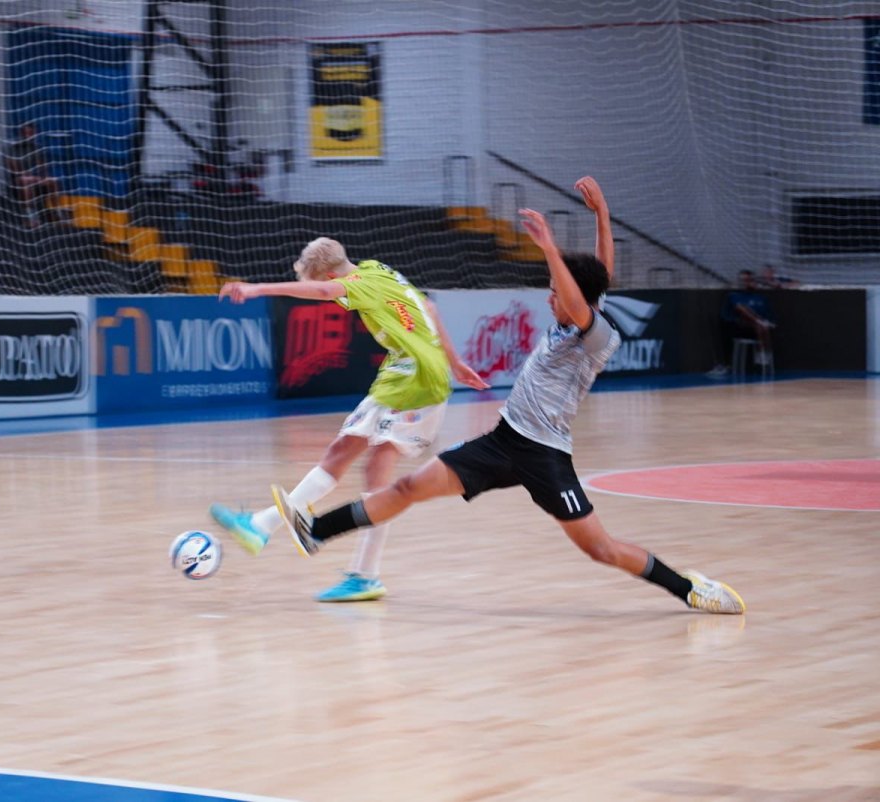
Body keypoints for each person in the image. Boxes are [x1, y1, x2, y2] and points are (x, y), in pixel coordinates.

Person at [270, 178, 746, 616]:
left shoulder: (596, 333)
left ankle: (688, 588)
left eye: (554, 292)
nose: (548, 299)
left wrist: (548, 246)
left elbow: (580, 293)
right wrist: (602, 213)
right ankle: (315, 532)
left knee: (600, 549)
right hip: (502, 442)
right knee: (407, 488)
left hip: (546, 457)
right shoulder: (583, 308)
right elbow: (598, 276)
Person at [210, 236, 489, 602]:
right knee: (359, 460)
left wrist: (256, 288)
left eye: (315, 280)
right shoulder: (376, 268)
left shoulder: (358, 284)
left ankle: (276, 533)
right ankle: (343, 564)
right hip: (408, 372)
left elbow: (327, 292)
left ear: (326, 272)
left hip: (415, 378)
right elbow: (429, 308)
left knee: (361, 463)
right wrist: (455, 362)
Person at [5, 122, 60, 227]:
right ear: (22, 133)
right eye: (26, 133)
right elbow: (12, 166)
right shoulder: (13, 148)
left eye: (30, 133)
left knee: (53, 181)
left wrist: (43, 176)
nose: (28, 135)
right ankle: (30, 215)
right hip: (19, 178)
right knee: (25, 182)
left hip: (34, 176)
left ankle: (55, 212)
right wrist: (25, 173)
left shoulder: (37, 148)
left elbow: (42, 165)